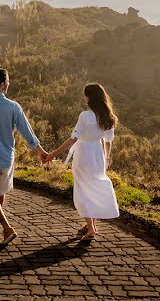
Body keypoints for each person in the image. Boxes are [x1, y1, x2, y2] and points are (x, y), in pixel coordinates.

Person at [0, 68, 47, 244]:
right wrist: (40, 151)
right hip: (7, 158)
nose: (9, 84)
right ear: (3, 84)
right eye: (8, 81)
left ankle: (6, 227)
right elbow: (27, 132)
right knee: (0, 192)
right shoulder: (14, 106)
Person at [45, 82, 120, 240]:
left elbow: (73, 139)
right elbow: (108, 141)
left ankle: (91, 229)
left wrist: (53, 153)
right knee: (93, 186)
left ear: (89, 97)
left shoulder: (85, 116)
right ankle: (90, 224)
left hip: (84, 153)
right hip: (98, 154)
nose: (83, 97)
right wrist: (106, 158)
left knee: (83, 188)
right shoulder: (108, 117)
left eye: (85, 95)